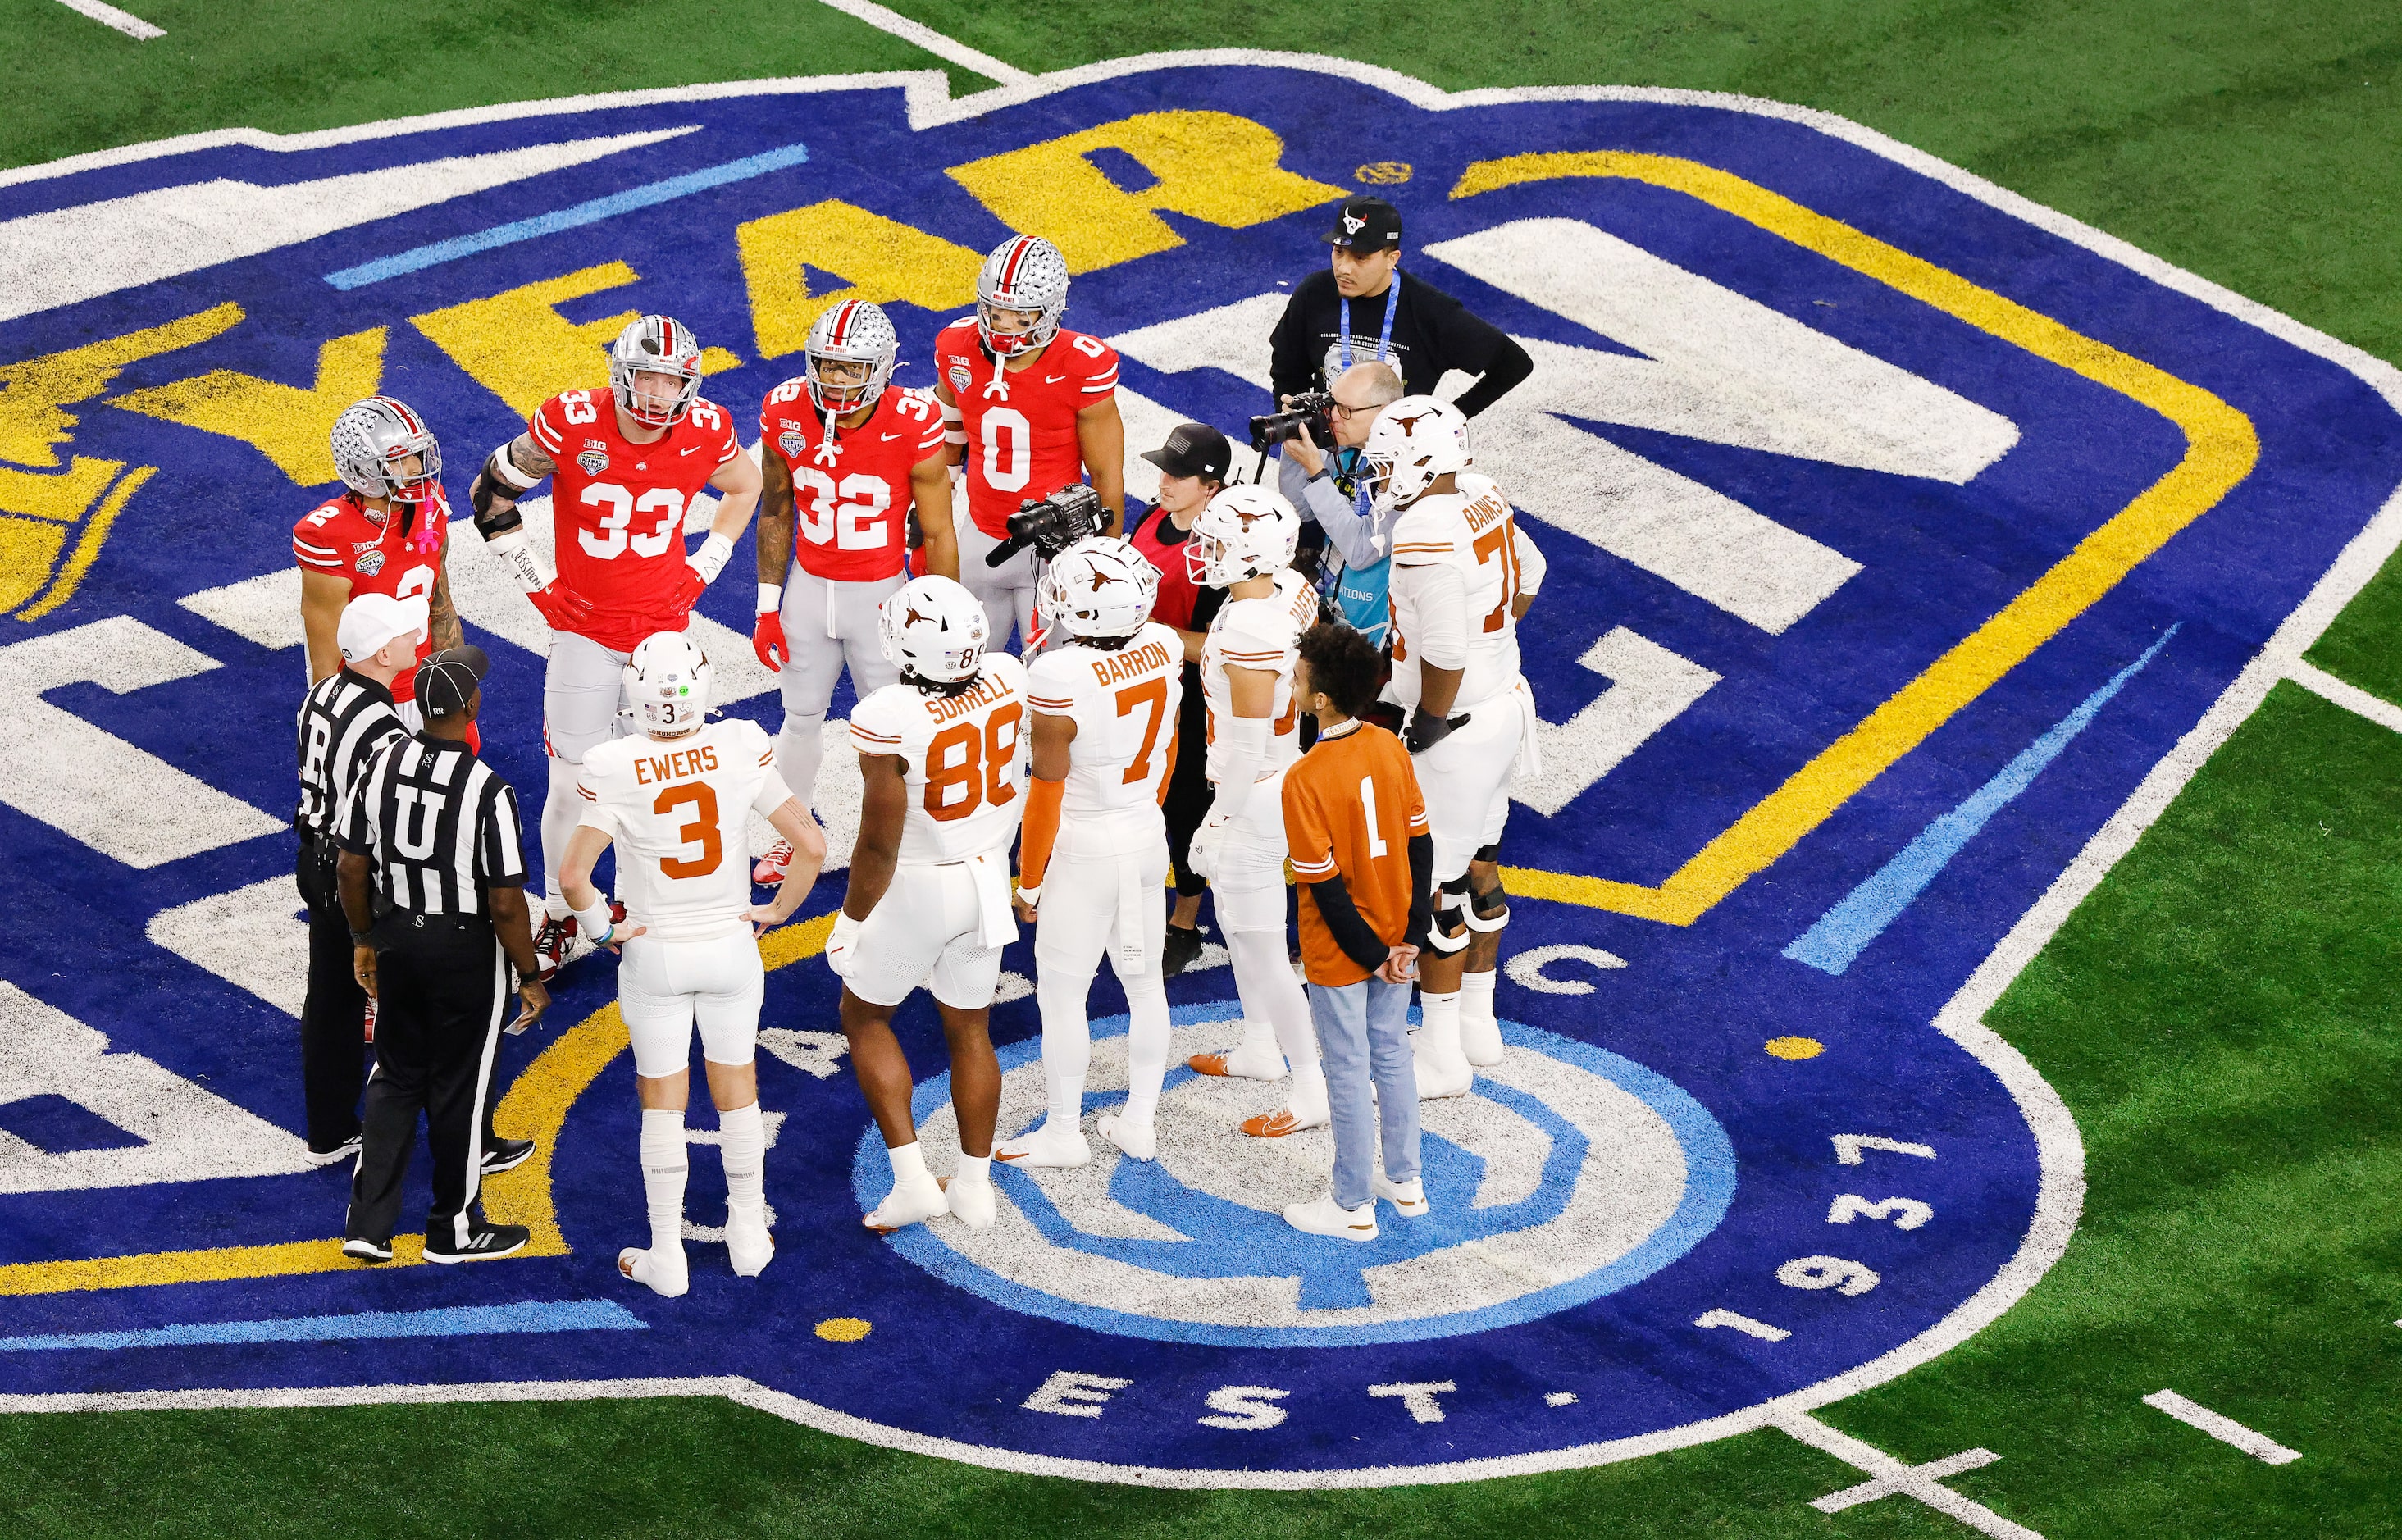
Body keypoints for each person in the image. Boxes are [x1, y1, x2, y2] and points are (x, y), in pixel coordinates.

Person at [463, 315, 763, 981]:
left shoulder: (708, 429)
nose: (658, 395)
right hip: (585, 629)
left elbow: (745, 486)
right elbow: (489, 493)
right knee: (572, 780)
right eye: (647, 377)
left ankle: (643, 900)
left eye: (671, 380)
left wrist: (705, 565)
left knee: (662, 773)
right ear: (620, 375)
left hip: (664, 633)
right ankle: (559, 912)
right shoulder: (572, 421)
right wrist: (538, 585)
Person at [554, 632, 827, 1297]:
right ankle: (745, 1236)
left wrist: (600, 931)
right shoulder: (737, 745)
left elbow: (572, 877)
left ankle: (667, 1256)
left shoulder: (615, 762)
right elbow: (812, 844)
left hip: (656, 951)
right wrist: (779, 910)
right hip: (730, 946)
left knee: (663, 1101)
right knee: (737, 1086)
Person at [827, 575, 1028, 1232]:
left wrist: (850, 920)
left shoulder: (890, 716)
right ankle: (974, 1186)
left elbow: (878, 845)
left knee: (863, 1016)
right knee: (970, 1029)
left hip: (919, 884)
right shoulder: (1005, 672)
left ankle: (913, 1182)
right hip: (986, 877)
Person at [335, 647, 549, 1264]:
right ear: (472, 707)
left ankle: (368, 1225)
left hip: (398, 937)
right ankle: (452, 1229)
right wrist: (529, 975)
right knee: (460, 1086)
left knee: (396, 1077)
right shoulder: (488, 790)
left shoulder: (379, 763)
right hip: (463, 953)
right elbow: (506, 903)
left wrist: (364, 939)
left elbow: (352, 866)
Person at [1364, 397, 1547, 1094]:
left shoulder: (1425, 532)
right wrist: (1493, 641)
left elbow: (1440, 649)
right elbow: (1530, 572)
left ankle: (1440, 1054)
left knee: (1434, 888)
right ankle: (1478, 1021)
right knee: (1482, 861)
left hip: (1458, 723)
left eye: (1388, 460)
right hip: (1504, 705)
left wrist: (1429, 720)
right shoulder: (1479, 493)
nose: (1379, 475)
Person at [750, 299, 959, 888]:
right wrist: (767, 607)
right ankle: (791, 835)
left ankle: (907, 832)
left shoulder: (913, 420)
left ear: (884, 368)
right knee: (798, 718)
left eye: (852, 368)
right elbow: (776, 509)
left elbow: (939, 529)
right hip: (810, 590)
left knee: (896, 726)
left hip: (881, 596)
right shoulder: (786, 407)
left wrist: (939, 613)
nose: (837, 381)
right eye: (828, 365)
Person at [999, 538, 1182, 1166]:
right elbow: (1170, 748)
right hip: (1143, 830)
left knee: (1062, 993)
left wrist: (1028, 880)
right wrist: (1144, 811)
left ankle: (1062, 1131)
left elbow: (1046, 792)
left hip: (1084, 843)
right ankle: (1140, 1120)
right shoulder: (1160, 645)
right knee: (1143, 983)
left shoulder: (1059, 674)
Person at [1180, 485, 1329, 1138]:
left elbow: (1243, 746)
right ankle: (1260, 1047)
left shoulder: (1248, 626)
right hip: (1275, 771)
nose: (1204, 551)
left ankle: (1311, 1087)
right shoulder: (1286, 589)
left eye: (1216, 541)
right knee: (1238, 929)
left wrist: (1216, 824)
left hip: (1256, 786)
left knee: (1265, 948)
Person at [1280, 623, 1434, 1240]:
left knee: (1346, 1070)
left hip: (1345, 949)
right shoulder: (1389, 745)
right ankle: (1404, 1180)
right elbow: (1420, 842)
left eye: (1297, 678)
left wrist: (1370, 955)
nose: (1291, 684)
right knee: (1392, 1053)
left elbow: (1325, 886)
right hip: (1398, 931)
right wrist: (1410, 935)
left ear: (1320, 699)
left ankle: (1349, 1205)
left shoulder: (1303, 778)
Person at [932, 235, 1126, 653]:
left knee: (1052, 681)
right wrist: (932, 516)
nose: (1004, 326)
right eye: (996, 312)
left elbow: (1106, 473)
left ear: (1051, 311)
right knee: (961, 668)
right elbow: (948, 435)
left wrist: (1103, 557)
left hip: (1054, 545)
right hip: (980, 534)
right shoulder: (956, 347)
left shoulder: (1080, 365)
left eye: (1022, 318)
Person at [291, 592, 420, 1164]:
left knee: (330, 998)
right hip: (352, 873)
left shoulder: (320, 694)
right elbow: (387, 820)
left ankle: (328, 1126)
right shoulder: (383, 727)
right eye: (404, 636)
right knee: (413, 995)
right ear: (383, 652)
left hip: (312, 856)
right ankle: (434, 1127)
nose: (414, 641)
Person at [1267, 197, 1533, 419]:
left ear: (1391, 259)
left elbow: (1514, 364)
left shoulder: (1430, 310)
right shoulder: (1314, 293)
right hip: (1321, 447)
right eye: (1339, 252)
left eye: (1361, 257)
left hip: (1396, 459)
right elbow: (1287, 369)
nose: (1344, 268)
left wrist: (1449, 418)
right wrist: (1296, 420)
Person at [1126, 422, 1232, 973]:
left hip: (1188, 702)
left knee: (1183, 808)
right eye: (1163, 468)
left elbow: (1218, 647)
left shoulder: (1217, 554)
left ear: (1210, 486)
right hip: (1136, 687)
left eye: (1177, 473)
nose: (1163, 480)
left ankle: (1184, 922)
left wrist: (1141, 630)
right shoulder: (1149, 517)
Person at [294, 397, 463, 729]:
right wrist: (335, 729)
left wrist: (452, 674)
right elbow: (325, 660)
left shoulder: (432, 506)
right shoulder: (329, 536)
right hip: (369, 701)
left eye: (416, 454)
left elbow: (439, 602)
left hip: (426, 684)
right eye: (400, 460)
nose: (416, 467)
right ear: (363, 471)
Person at [1278, 361, 1406, 644]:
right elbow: (1300, 509)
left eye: (1345, 410)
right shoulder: (1349, 449)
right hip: (1332, 610)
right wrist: (1293, 442)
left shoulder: (1409, 473)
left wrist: (1316, 472)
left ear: (1383, 413)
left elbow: (1361, 551)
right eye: (1332, 404)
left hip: (1379, 636)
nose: (1333, 416)